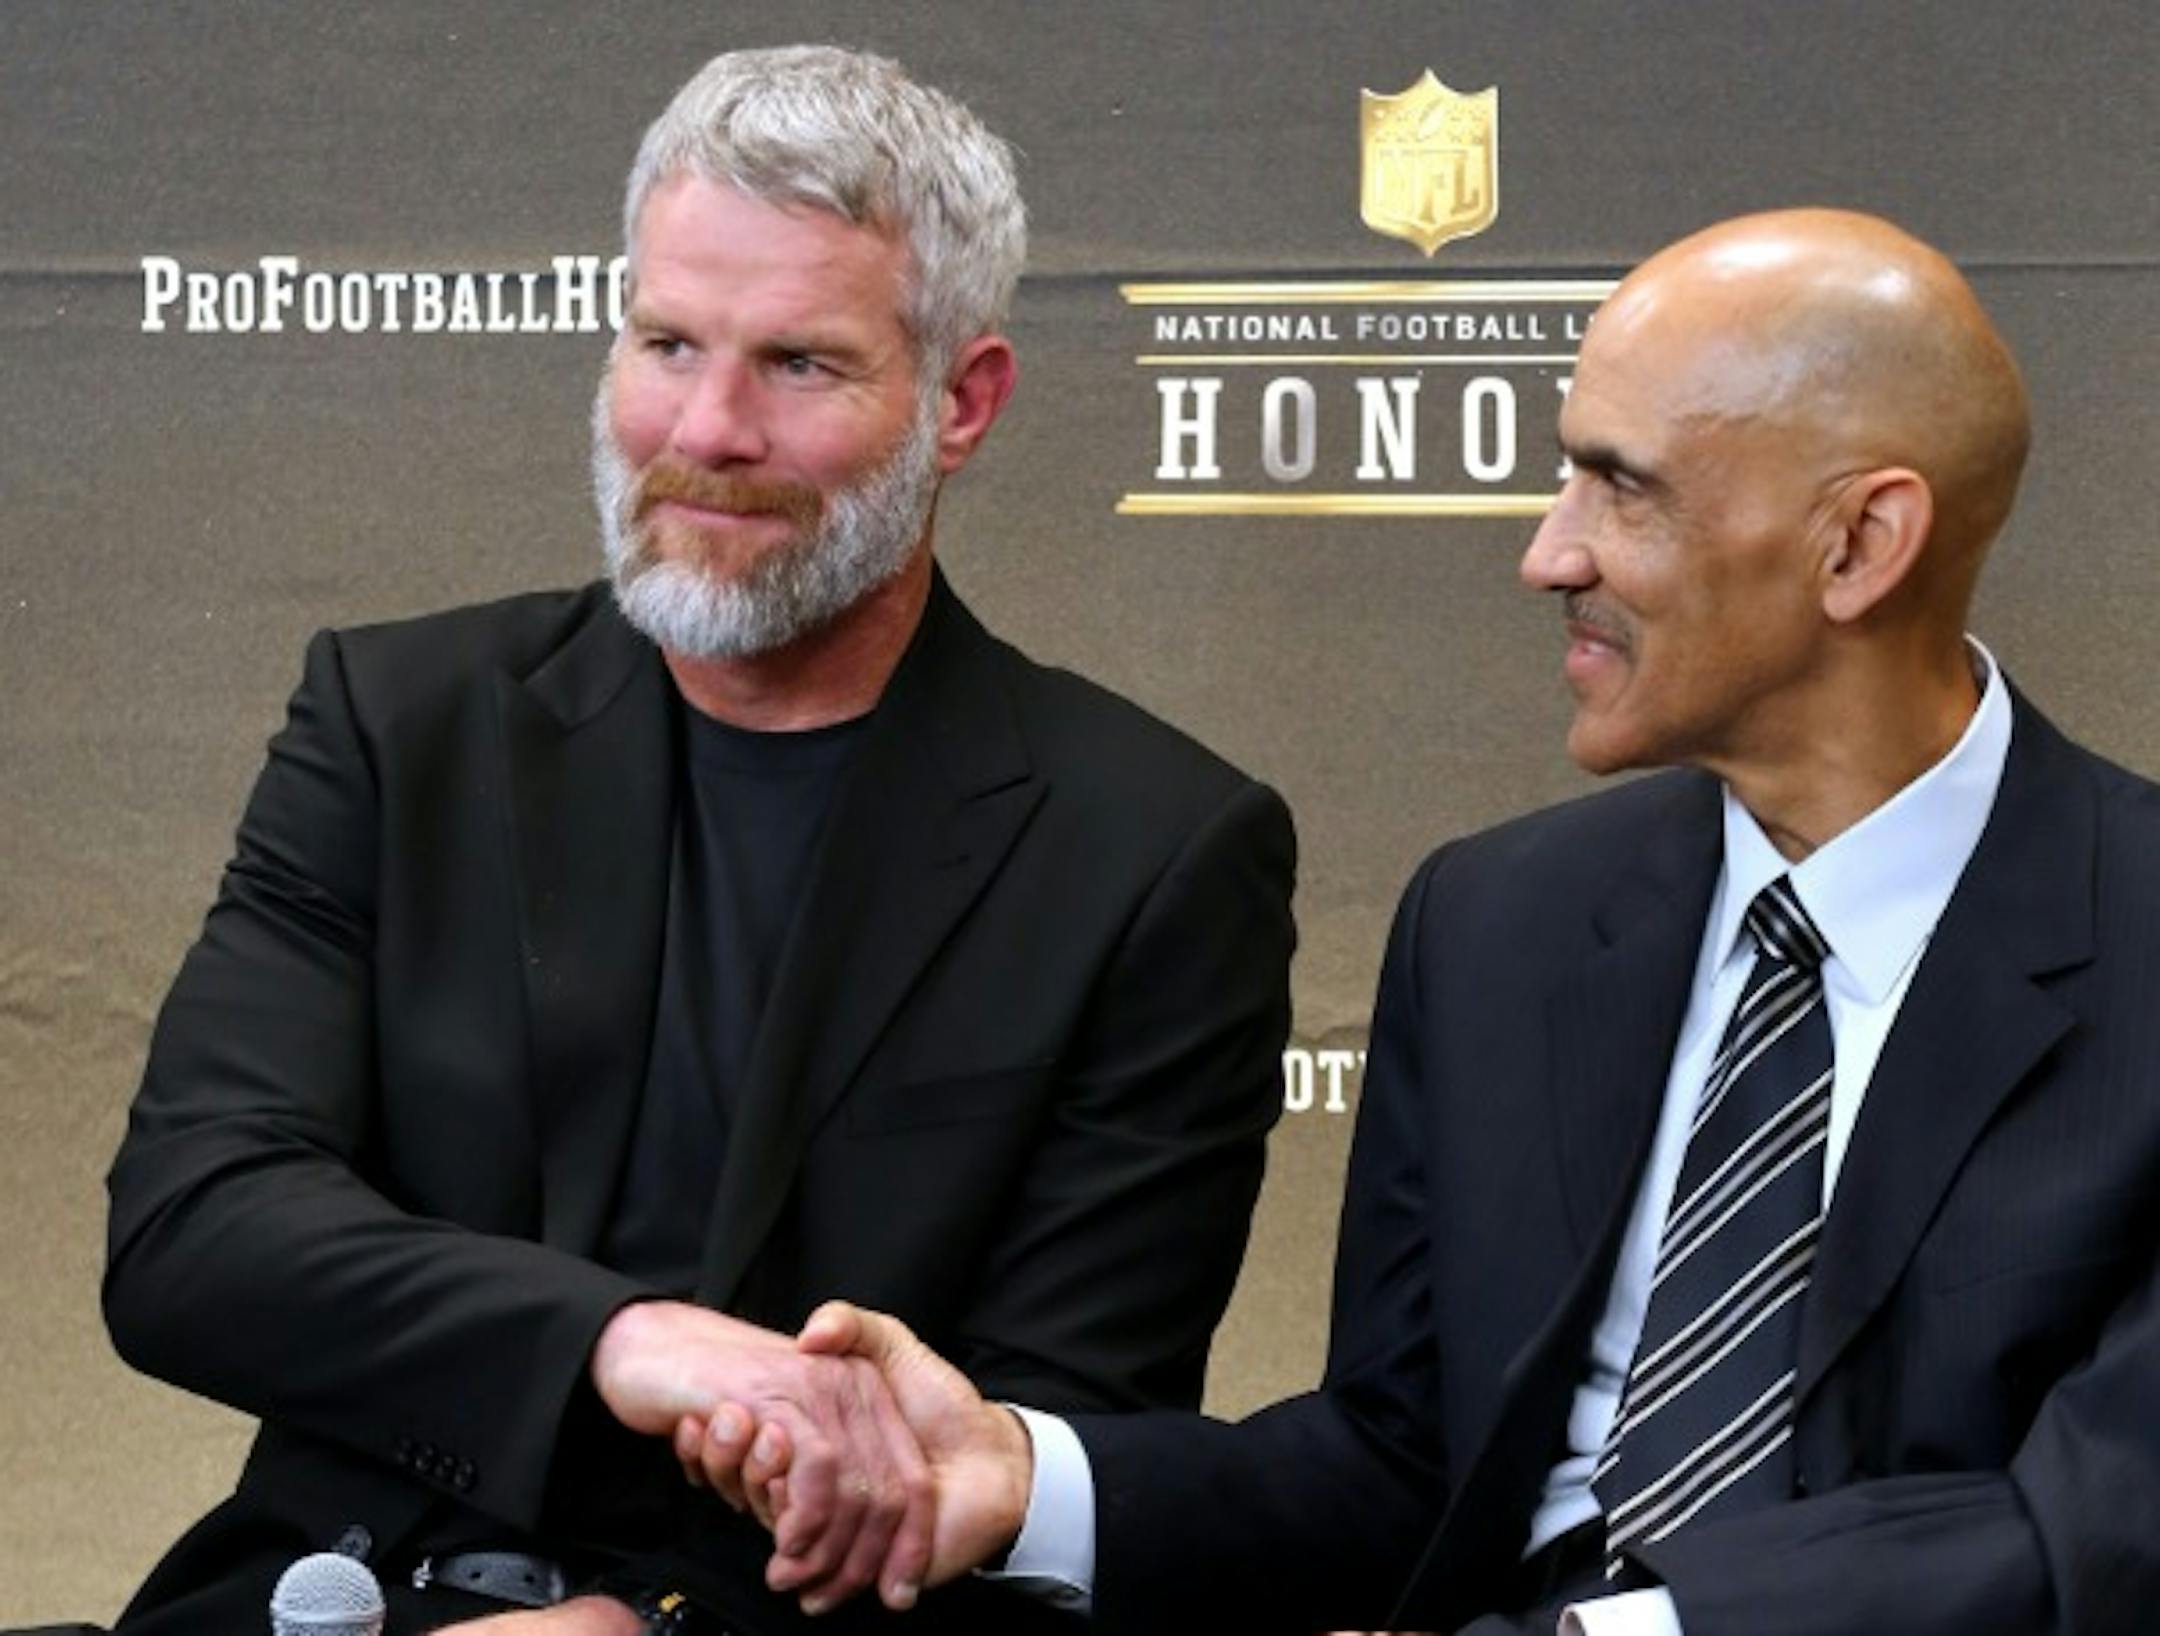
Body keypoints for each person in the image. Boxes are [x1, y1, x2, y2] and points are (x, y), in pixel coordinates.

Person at [710, 208, 2160, 1635]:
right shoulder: (1500, 920)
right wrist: (1025, 1480)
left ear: (1860, 543)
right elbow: (1405, 1465)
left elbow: (2095, 1530)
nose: (1549, 555)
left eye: (1621, 487)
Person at [94, 45, 1293, 1636]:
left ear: (964, 403)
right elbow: (196, 1232)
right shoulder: (400, 722)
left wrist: (650, 1631)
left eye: (798, 364)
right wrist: (629, 1340)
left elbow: (1027, 1460)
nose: (705, 427)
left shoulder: (1154, 849)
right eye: (668, 342)